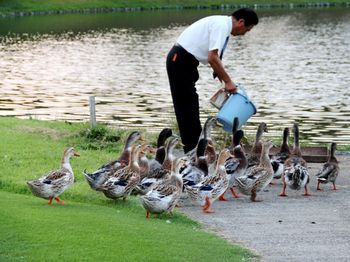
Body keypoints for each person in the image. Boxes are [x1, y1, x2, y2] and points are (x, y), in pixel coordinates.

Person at [166, 8, 259, 153]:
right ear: (241, 22)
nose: (245, 33)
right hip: (179, 60)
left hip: (185, 62)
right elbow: (212, 57)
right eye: (247, 29)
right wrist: (228, 82)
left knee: (190, 105)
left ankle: (196, 149)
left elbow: (214, 60)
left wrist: (224, 81)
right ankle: (193, 151)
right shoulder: (222, 25)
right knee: (186, 106)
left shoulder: (222, 24)